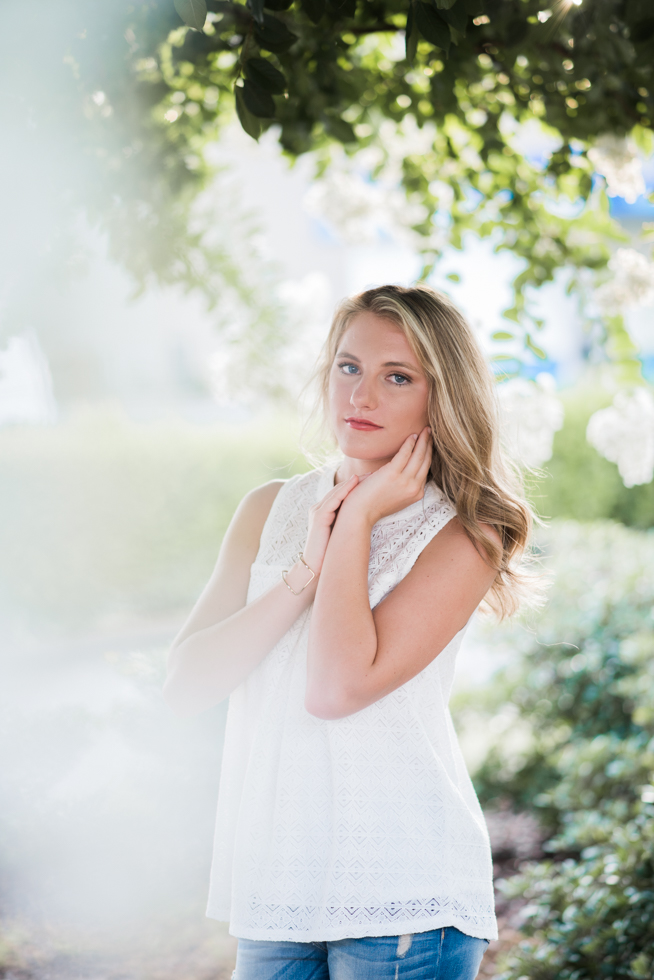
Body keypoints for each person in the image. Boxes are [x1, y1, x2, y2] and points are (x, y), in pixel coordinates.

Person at [163, 284, 536, 980]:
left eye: (397, 377)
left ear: (441, 395)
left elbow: (335, 689)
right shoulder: (268, 509)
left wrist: (358, 519)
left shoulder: (464, 533)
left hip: (403, 899)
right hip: (278, 888)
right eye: (348, 366)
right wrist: (306, 566)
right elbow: (186, 687)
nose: (360, 395)